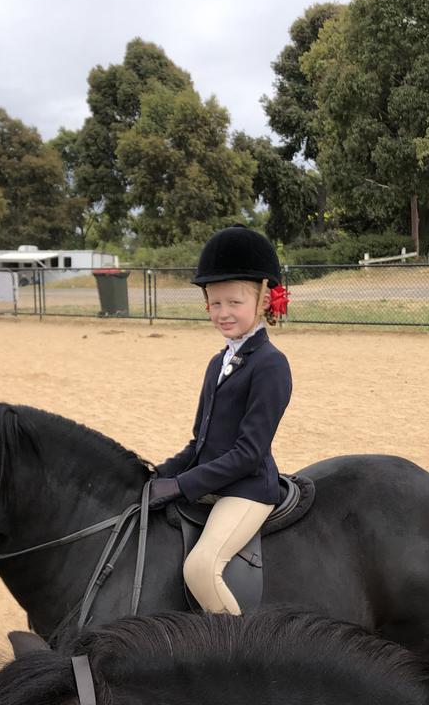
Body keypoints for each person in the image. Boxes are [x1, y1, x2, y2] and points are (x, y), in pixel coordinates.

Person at [148, 225, 292, 616]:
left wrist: (181, 485)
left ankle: (238, 652)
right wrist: (154, 474)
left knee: (201, 566)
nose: (223, 313)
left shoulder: (271, 365)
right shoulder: (218, 362)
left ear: (263, 299)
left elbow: (248, 453)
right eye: (215, 304)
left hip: (248, 489)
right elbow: (200, 443)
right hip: (214, 478)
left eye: (234, 302)